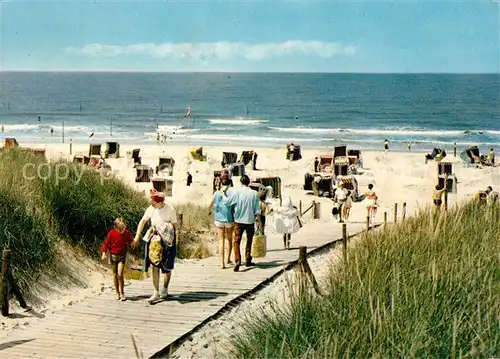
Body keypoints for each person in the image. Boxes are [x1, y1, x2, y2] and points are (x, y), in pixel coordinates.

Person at [132, 189, 177, 303]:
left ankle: (165, 289)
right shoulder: (151, 208)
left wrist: (175, 241)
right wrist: (137, 236)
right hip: (154, 239)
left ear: (159, 202)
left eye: (153, 201)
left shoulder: (170, 209)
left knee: (167, 266)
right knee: (154, 264)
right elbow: (143, 221)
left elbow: (175, 226)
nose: (151, 202)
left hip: (167, 240)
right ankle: (155, 292)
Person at [228, 175, 260, 272]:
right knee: (249, 240)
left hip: (238, 220)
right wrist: (258, 221)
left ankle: (238, 260)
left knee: (236, 241)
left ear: (241, 182)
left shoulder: (237, 192)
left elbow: (229, 203)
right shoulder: (254, 193)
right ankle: (248, 259)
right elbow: (257, 209)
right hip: (250, 220)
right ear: (249, 182)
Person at [101, 218, 134, 301]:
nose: (123, 230)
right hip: (113, 256)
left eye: (124, 228)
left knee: (120, 275)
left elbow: (131, 240)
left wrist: (133, 243)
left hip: (122, 256)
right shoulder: (112, 233)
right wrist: (104, 252)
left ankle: (122, 293)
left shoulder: (126, 233)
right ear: (116, 227)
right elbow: (106, 243)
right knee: (115, 274)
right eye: (121, 229)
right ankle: (117, 292)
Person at [208, 184, 234, 269]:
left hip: (219, 219)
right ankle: (228, 259)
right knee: (229, 239)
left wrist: (210, 212)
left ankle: (222, 263)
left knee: (221, 240)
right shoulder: (231, 193)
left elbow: (209, 204)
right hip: (229, 219)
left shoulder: (216, 193)